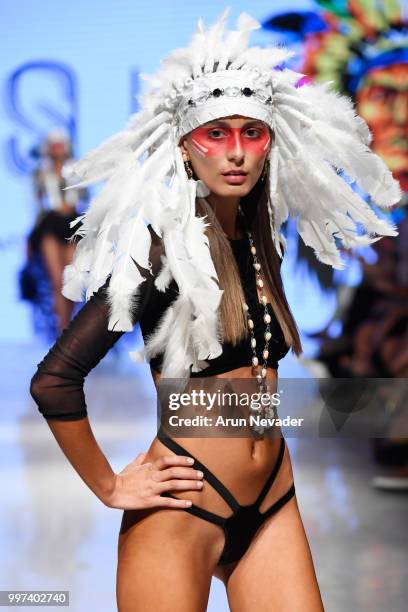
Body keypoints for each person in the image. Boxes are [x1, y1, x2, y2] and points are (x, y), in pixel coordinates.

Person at [29, 10, 401, 611]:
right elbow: (54, 380)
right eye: (216, 134)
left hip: (273, 497)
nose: (236, 153)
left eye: (251, 134)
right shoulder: (161, 251)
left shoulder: (259, 242)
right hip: (185, 504)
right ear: (184, 147)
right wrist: (109, 485)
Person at [27, 130, 87, 332]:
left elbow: (82, 197)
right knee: (57, 280)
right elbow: (39, 203)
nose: (57, 148)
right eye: (53, 145)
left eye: (60, 144)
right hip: (50, 225)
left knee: (72, 279)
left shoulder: (77, 169)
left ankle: (70, 329)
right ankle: (63, 331)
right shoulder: (41, 173)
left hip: (72, 223)